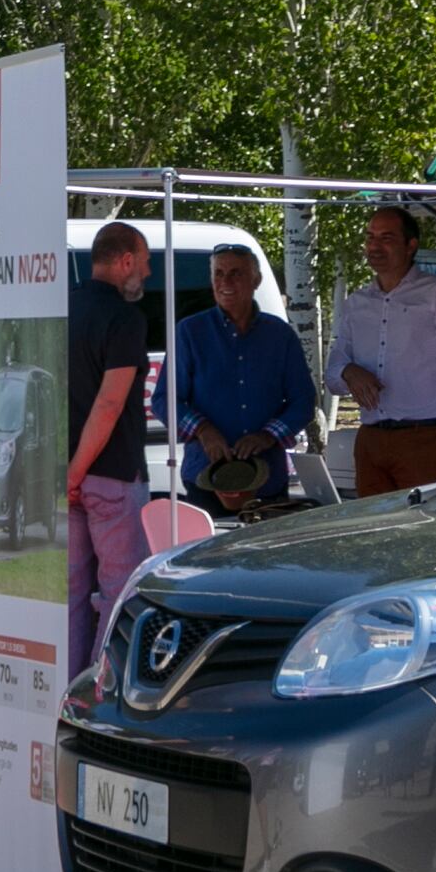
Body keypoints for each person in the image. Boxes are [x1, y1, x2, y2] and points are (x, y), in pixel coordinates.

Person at [329, 205, 436, 494]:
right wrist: (349, 371)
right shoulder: (357, 302)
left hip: (424, 438)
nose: (374, 246)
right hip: (370, 440)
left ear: (411, 245)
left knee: (422, 533)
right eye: (370, 237)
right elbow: (333, 375)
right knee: (372, 533)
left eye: (386, 238)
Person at [62, 222, 158, 686]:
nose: (148, 270)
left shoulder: (63, 309)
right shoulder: (124, 318)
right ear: (124, 262)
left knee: (73, 595)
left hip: (64, 477)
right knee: (121, 592)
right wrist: (79, 470)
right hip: (112, 475)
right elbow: (110, 402)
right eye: (143, 261)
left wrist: (67, 473)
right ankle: (101, 693)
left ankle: (65, 693)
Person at [171, 244, 315, 521]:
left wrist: (268, 435)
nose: (225, 282)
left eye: (236, 274)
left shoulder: (280, 335)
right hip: (206, 475)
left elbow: (303, 401)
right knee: (209, 560)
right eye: (218, 274)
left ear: (256, 280)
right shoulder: (190, 332)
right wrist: (203, 430)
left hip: (267, 477)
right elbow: (166, 399)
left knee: (265, 558)